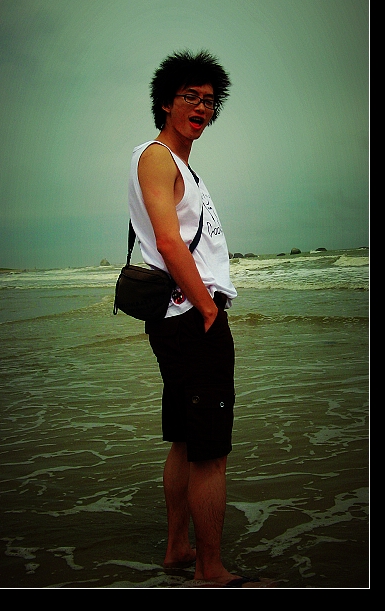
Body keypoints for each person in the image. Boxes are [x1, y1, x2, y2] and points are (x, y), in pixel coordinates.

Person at [128, 50, 267, 588]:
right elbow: (168, 241)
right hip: (191, 318)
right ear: (166, 102)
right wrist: (208, 306)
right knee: (211, 453)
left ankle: (177, 549)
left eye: (210, 101)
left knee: (186, 441)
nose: (202, 108)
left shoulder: (181, 165)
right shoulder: (157, 156)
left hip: (178, 318)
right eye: (191, 96)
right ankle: (211, 571)